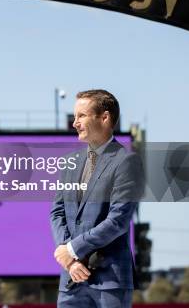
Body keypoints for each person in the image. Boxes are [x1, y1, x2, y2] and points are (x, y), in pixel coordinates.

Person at [50, 89, 144, 308]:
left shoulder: (126, 162)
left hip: (109, 281)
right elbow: (57, 212)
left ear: (104, 117)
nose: (75, 123)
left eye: (81, 116)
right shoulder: (70, 163)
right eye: (75, 117)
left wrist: (71, 250)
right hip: (71, 281)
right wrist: (70, 261)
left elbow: (117, 221)